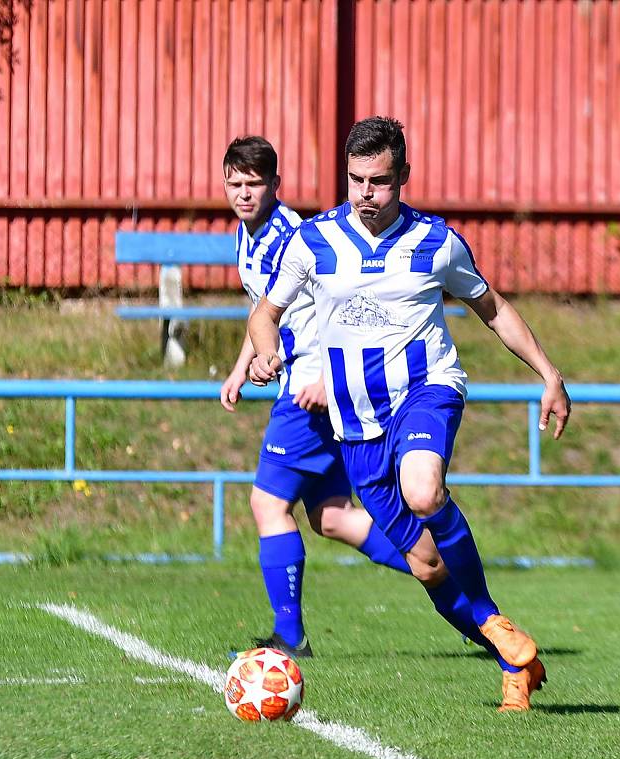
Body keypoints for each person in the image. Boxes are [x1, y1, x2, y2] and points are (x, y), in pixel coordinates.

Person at [248, 117, 571, 712]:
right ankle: (509, 651)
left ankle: (498, 634)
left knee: (423, 490)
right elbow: (266, 312)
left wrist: (548, 374)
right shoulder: (313, 241)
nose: (366, 194)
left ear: (404, 177)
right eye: (356, 180)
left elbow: (492, 307)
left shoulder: (437, 242)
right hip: (356, 424)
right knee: (426, 566)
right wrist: (267, 353)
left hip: (426, 391)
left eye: (380, 181)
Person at [219, 135, 412, 660]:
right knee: (332, 516)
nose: (243, 193)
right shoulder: (246, 233)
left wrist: (327, 378)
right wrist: (244, 366)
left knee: (267, 504)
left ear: (275, 185)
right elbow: (267, 308)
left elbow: (343, 308)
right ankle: (446, 577)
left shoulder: (293, 236)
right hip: (304, 383)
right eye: (234, 184)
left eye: (254, 184)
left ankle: (290, 637)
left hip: (311, 388)